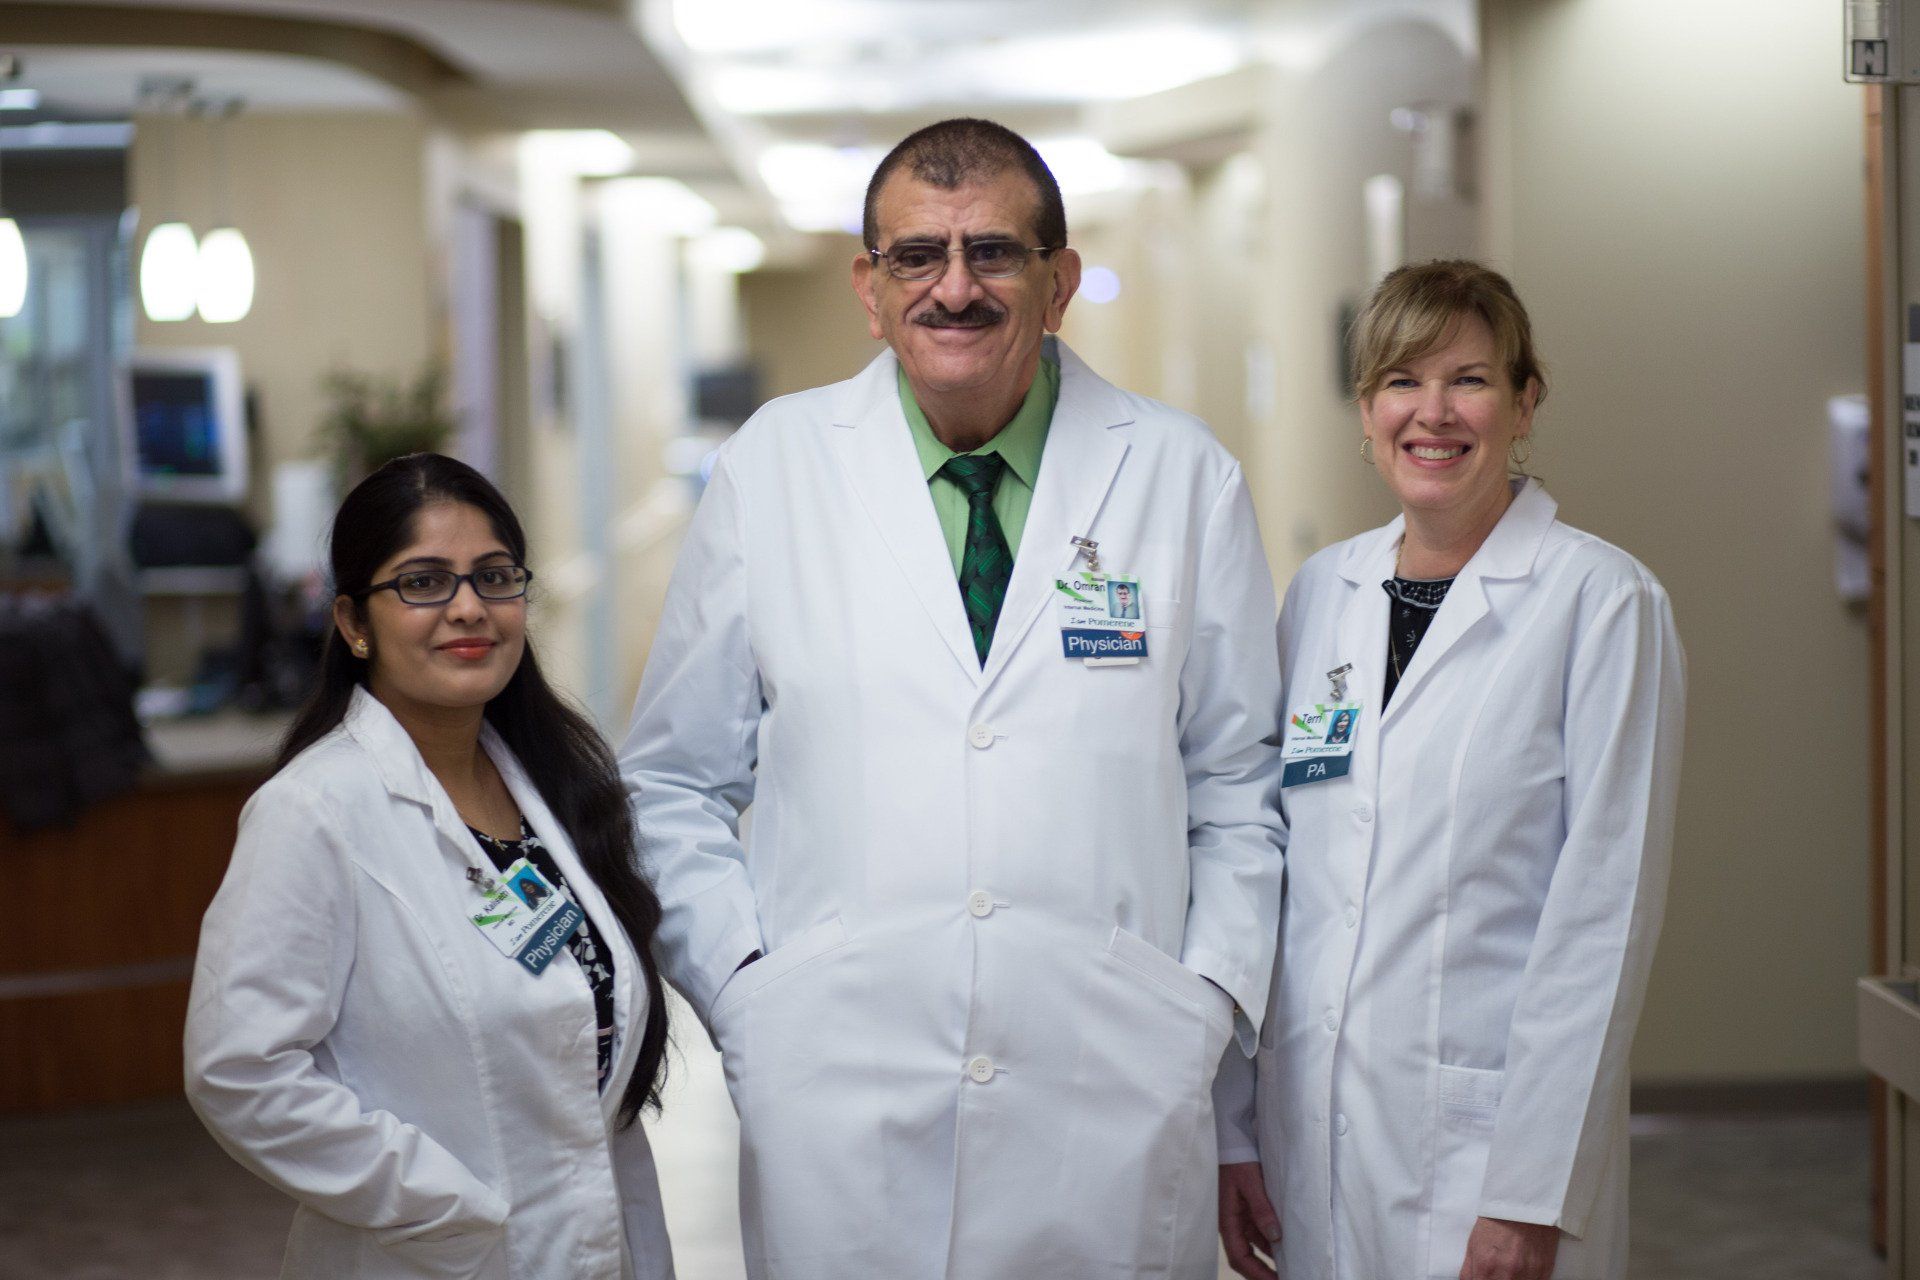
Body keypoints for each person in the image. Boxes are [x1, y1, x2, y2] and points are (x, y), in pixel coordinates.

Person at [622, 117, 1283, 1280]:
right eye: (916, 256)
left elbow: (1237, 784)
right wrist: (745, 992)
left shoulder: (1182, 477)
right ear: (868, 289)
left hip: (1112, 1079)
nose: (956, 287)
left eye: (995, 252)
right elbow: (673, 777)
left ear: (1059, 280)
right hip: (839, 1081)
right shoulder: (775, 469)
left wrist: (1203, 1006)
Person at [1214, 260, 1685, 1280]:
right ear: (1366, 408)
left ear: (1524, 402)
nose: (1432, 412)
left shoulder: (1601, 603)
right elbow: (1274, 877)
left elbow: (1601, 920)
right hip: (1312, 1137)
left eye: (1469, 379)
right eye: (1399, 380)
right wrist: (1236, 1128)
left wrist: (1528, 1193)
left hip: (1488, 1153)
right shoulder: (1321, 595)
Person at [186, 454, 675, 1280]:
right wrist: (449, 1205)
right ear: (352, 622)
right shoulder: (313, 814)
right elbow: (240, 1071)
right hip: (431, 1255)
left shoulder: (557, 792)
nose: (468, 609)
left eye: (493, 577)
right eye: (422, 583)